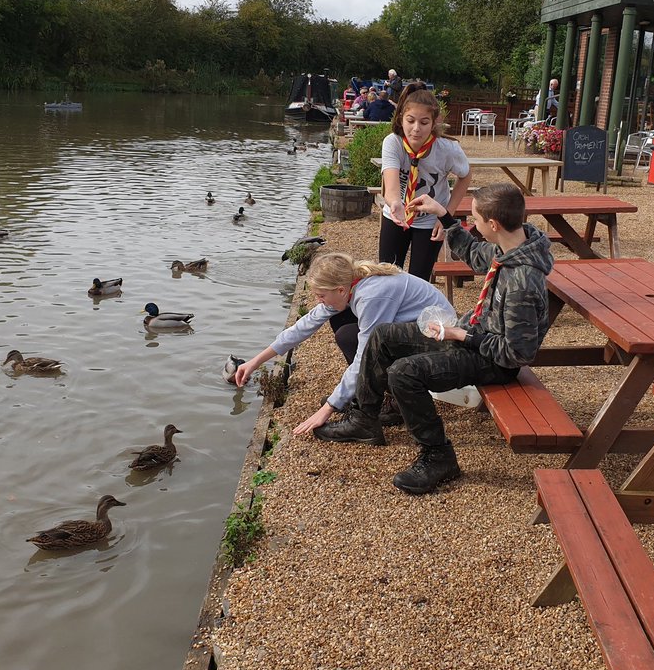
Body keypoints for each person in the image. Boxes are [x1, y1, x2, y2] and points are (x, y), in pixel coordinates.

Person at [314, 183, 555, 495]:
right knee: (383, 335)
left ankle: (439, 455)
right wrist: (445, 216)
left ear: (493, 225)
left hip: (490, 359)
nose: (475, 225)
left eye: (476, 219)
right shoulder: (509, 248)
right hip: (473, 338)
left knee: (404, 373)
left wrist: (461, 334)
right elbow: (475, 254)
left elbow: (517, 353)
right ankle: (364, 420)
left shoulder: (522, 280)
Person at [233, 252, 454, 436]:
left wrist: (329, 407)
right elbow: (304, 325)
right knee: (345, 330)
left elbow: (365, 355)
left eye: (320, 295)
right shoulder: (351, 284)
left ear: (340, 290)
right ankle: (373, 395)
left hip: (438, 345)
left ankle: (374, 414)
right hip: (417, 332)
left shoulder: (372, 296)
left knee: (352, 337)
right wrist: (254, 362)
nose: (319, 300)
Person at [379, 81, 473, 281]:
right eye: (410, 120)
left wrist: (446, 215)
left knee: (419, 281)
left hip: (430, 220)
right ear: (401, 119)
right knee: (385, 276)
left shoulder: (447, 149)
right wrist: (395, 204)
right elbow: (391, 186)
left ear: (433, 123)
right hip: (397, 215)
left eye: (423, 123)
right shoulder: (393, 143)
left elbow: (465, 176)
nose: (416, 129)